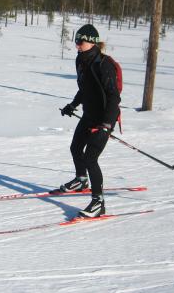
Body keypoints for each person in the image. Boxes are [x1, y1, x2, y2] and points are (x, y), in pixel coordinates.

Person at [56, 24, 121, 218]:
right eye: (76, 41)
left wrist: (107, 125)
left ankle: (98, 202)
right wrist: (73, 105)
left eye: (80, 41)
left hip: (103, 120)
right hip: (89, 115)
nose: (77, 45)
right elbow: (85, 88)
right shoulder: (81, 60)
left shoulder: (103, 64)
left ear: (92, 42)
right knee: (75, 148)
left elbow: (114, 98)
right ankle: (81, 179)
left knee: (90, 158)